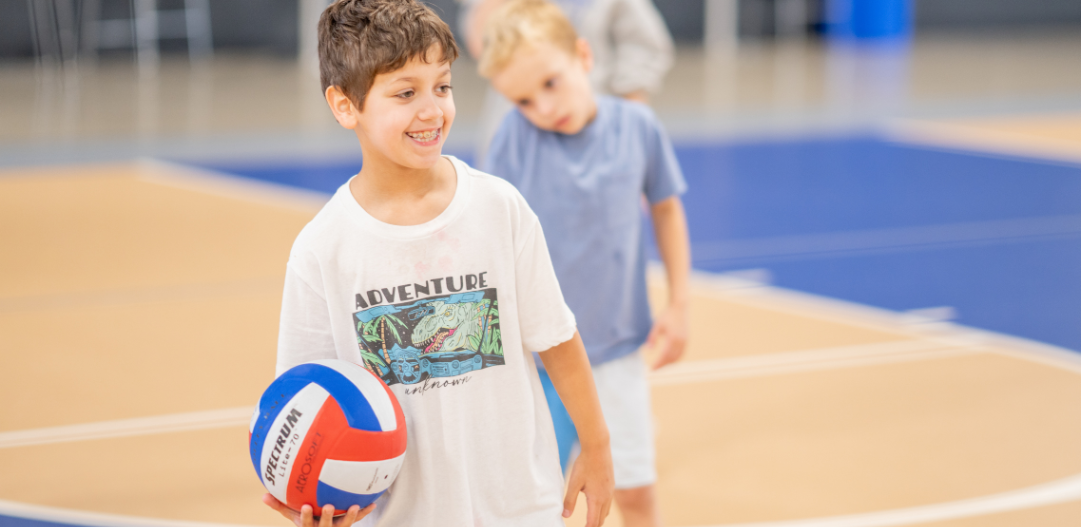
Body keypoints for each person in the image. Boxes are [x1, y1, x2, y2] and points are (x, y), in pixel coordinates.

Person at [263, 1, 614, 526]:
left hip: (523, 509)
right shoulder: (322, 248)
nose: (431, 110)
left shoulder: (500, 208)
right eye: (406, 93)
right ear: (344, 105)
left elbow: (558, 340)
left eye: (442, 87)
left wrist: (598, 444)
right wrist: (309, 499)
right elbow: (303, 400)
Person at [478, 1, 690, 526]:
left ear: (585, 55)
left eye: (551, 83)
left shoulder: (638, 127)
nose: (544, 107)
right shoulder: (511, 140)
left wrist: (680, 304)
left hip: (616, 349)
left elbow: (666, 208)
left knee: (634, 493)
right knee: (542, 504)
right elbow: (490, 242)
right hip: (539, 360)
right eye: (523, 100)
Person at [458, 0, 674, 168]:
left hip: (593, 128)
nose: (546, 108)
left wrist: (631, 142)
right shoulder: (510, 137)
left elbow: (641, 48)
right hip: (519, 131)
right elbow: (482, 47)